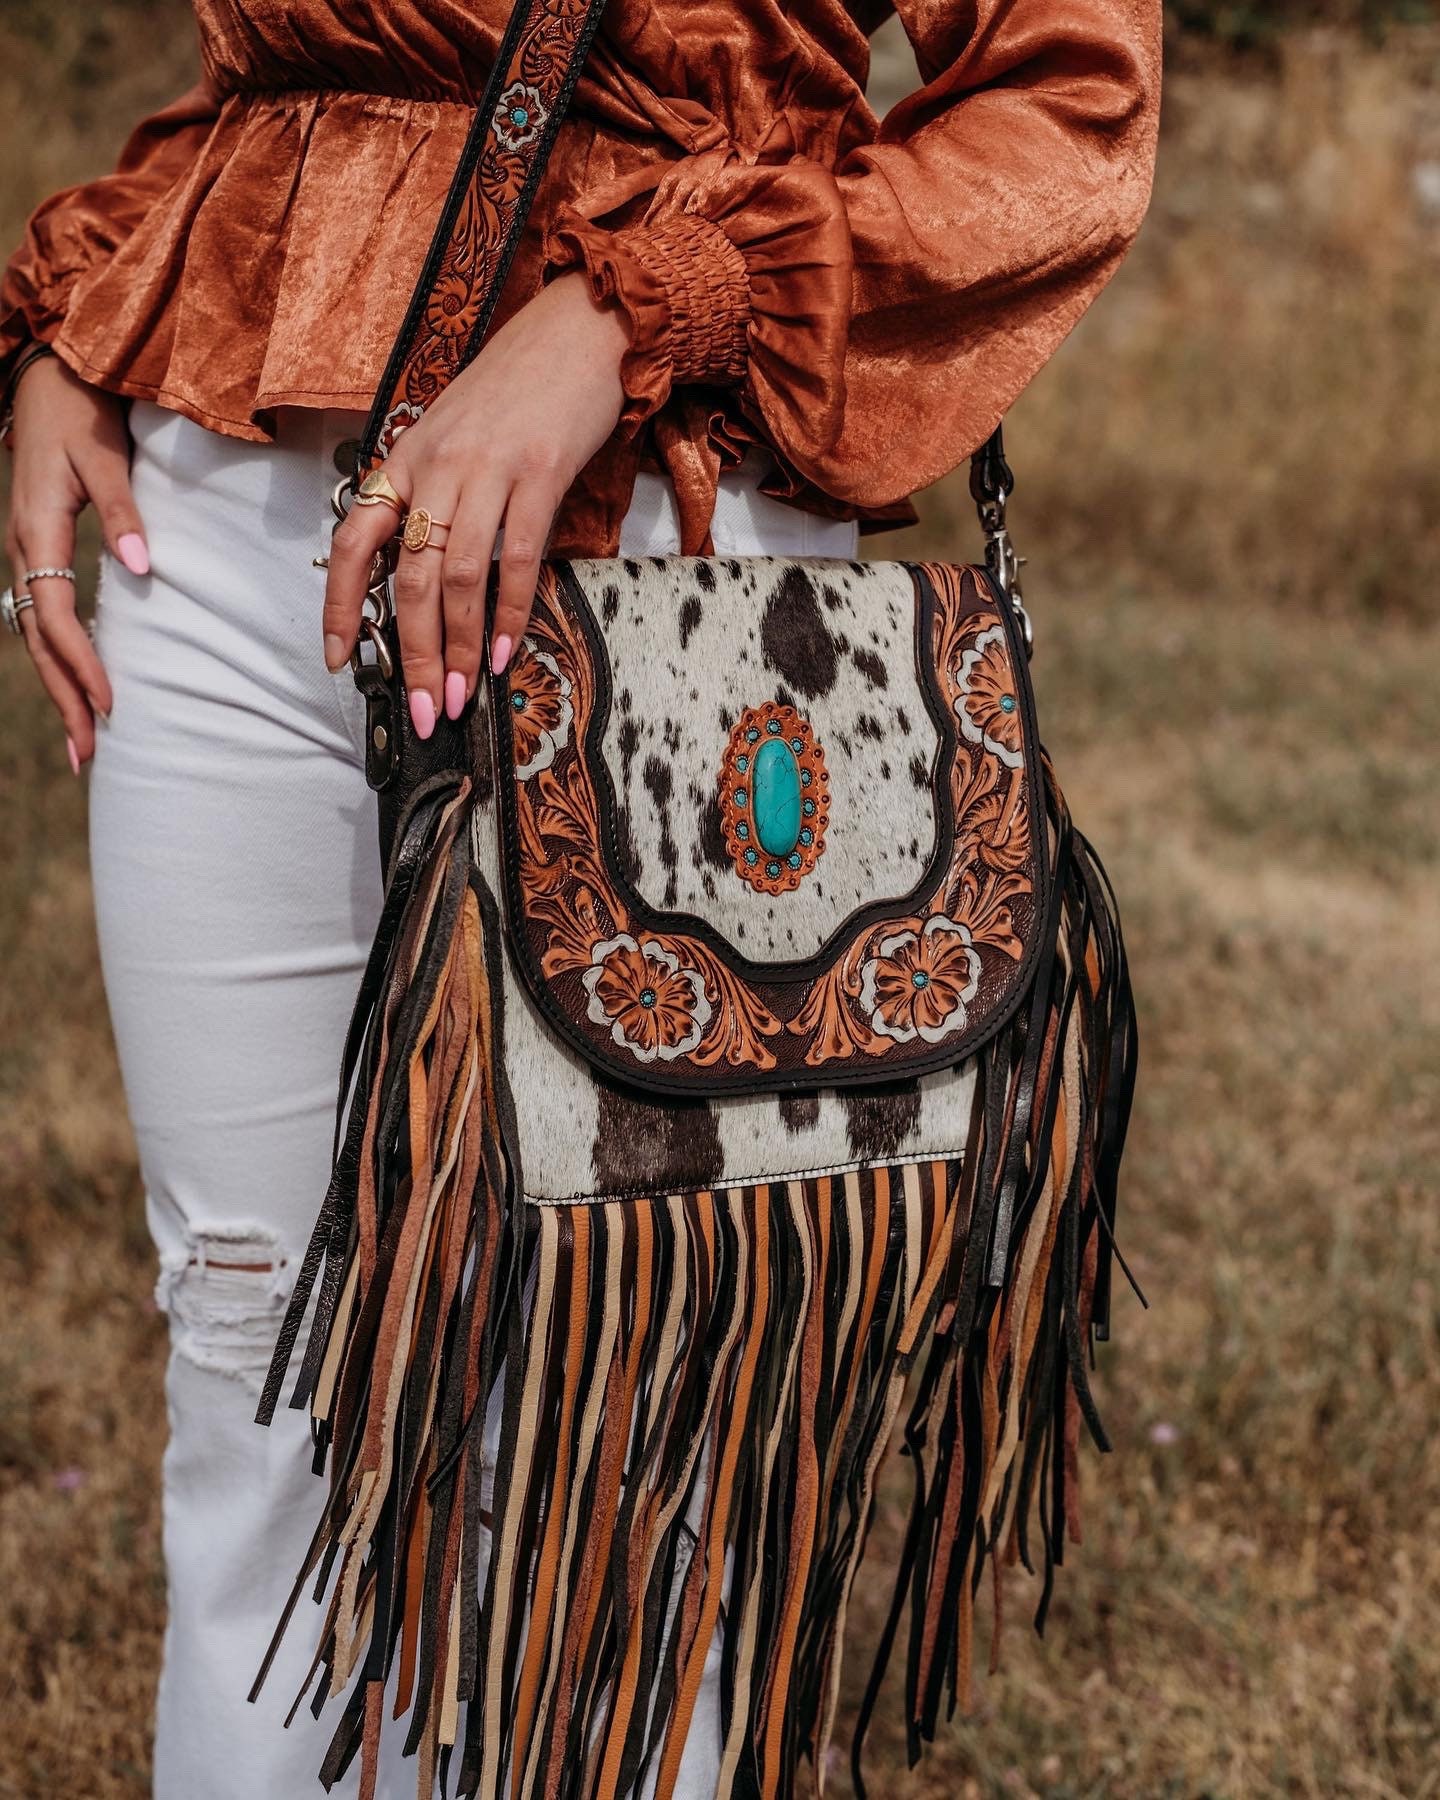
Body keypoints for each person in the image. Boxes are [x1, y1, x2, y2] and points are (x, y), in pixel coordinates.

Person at [0, 1, 1161, 1793]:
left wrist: (643, 298)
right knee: (261, 1382)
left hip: (646, 542)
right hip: (213, 544)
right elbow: (289, 66)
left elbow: (1069, 108)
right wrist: (85, 314)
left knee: (620, 1417)